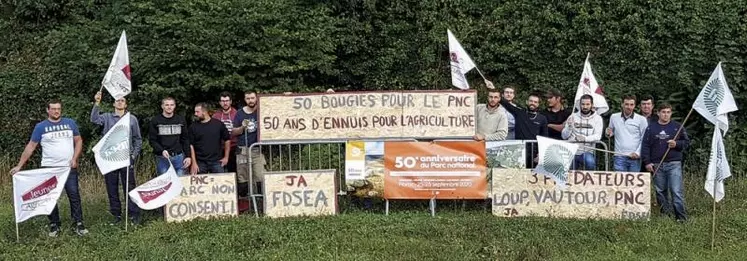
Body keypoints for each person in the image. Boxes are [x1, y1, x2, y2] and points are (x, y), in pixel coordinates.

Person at [10, 99, 88, 237]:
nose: (56, 111)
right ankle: (54, 225)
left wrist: (75, 158)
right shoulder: (41, 127)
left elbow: (78, 140)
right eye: (53, 109)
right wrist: (19, 165)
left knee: (74, 195)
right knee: (50, 197)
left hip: (68, 168)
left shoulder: (70, 123)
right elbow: (31, 146)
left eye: (58, 108)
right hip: (49, 168)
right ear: (48, 110)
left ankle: (78, 223)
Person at [91, 91, 142, 225]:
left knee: (130, 187)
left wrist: (133, 155)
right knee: (112, 187)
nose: (120, 102)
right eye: (117, 100)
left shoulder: (132, 119)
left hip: (126, 158)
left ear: (126, 104)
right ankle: (116, 215)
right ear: (114, 103)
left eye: (122, 100)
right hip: (110, 158)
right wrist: (97, 102)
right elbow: (94, 119)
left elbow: (137, 139)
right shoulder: (107, 117)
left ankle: (133, 215)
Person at [641, 103, 689, 222]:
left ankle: (681, 217)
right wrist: (647, 162)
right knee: (660, 191)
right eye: (663, 112)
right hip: (657, 164)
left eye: (668, 112)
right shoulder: (651, 128)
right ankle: (665, 215)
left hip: (674, 164)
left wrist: (676, 144)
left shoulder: (677, 127)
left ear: (671, 113)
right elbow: (645, 146)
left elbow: (687, 143)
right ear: (658, 113)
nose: (665, 115)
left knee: (676, 191)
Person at [487, 81, 548, 168]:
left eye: (535, 102)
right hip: (519, 151)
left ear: (538, 104)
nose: (532, 103)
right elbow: (504, 102)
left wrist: (541, 154)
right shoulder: (519, 112)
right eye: (531, 101)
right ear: (527, 101)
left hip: (534, 153)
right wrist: (492, 88)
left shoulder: (542, 118)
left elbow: (544, 137)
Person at [232, 91, 267, 199]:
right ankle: (246, 203)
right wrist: (242, 127)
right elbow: (234, 132)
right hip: (243, 149)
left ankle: (261, 200)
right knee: (243, 177)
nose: (250, 100)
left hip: (257, 150)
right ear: (244, 99)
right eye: (248, 98)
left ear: (256, 98)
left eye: (252, 98)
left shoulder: (262, 110)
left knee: (260, 176)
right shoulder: (239, 113)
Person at [148, 97, 191, 176]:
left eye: (172, 105)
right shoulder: (155, 120)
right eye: (167, 105)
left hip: (179, 157)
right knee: (165, 185)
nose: (169, 107)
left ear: (174, 106)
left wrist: (188, 156)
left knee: (180, 183)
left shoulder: (180, 120)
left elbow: (185, 139)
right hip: (162, 158)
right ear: (162, 106)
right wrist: (161, 150)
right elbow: (152, 140)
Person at [606, 94, 648, 172]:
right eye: (626, 104)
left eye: (631, 104)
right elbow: (610, 131)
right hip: (619, 156)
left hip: (634, 157)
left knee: (634, 184)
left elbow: (644, 138)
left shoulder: (641, 119)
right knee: (619, 183)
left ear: (635, 105)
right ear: (622, 104)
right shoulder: (614, 117)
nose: (629, 107)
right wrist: (608, 132)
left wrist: (637, 153)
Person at [562, 94, 603, 170]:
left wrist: (585, 138)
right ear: (580, 104)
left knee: (590, 162)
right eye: (583, 104)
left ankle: (589, 181)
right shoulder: (572, 116)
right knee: (567, 173)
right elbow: (564, 136)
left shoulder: (598, 118)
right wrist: (569, 127)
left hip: (587, 151)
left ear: (592, 105)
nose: (585, 107)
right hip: (571, 151)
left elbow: (598, 136)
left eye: (587, 104)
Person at [190, 103, 231, 174]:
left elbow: (227, 139)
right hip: (200, 162)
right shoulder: (193, 127)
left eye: (197, 112)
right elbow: (191, 145)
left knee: (220, 183)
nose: (195, 114)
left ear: (204, 112)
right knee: (200, 184)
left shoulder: (218, 124)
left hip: (217, 161)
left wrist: (226, 157)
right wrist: (194, 163)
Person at [212, 92, 238, 173]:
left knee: (234, 170)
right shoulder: (215, 116)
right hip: (220, 148)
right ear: (220, 102)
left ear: (231, 101)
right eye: (223, 101)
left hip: (235, 147)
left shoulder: (237, 114)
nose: (225, 103)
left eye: (227, 101)